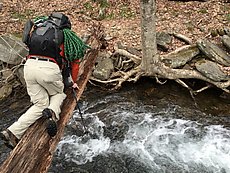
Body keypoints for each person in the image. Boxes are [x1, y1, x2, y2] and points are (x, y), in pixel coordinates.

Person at [0, 12, 88, 149]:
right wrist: (72, 82)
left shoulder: (39, 28)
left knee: (39, 103)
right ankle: (51, 113)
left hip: (28, 67)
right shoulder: (64, 36)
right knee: (58, 94)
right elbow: (75, 63)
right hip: (48, 68)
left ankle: (12, 131)